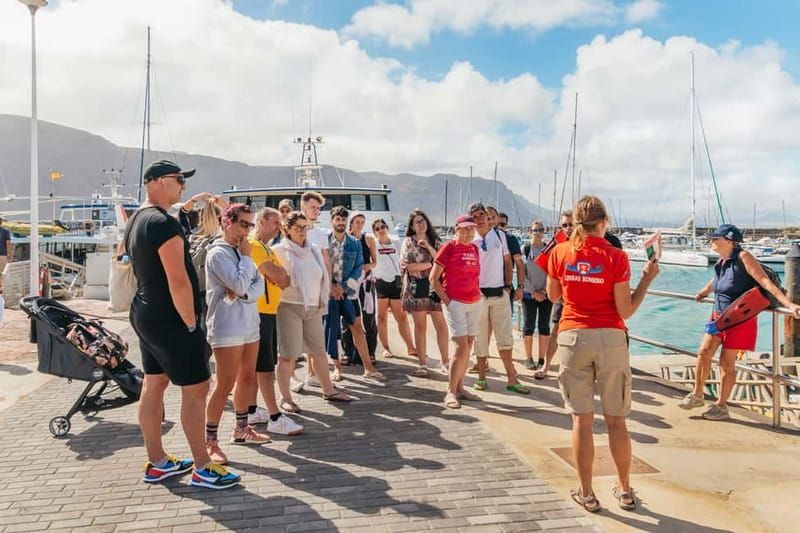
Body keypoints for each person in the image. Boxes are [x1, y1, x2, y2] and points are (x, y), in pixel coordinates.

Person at [126, 159, 239, 490]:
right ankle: (203, 467)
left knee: (154, 383)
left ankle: (158, 462)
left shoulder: (137, 218)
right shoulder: (162, 223)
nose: (183, 186)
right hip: (171, 317)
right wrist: (191, 324)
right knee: (196, 390)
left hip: (145, 312)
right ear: (158, 182)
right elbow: (178, 279)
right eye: (178, 180)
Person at [547, 195, 659, 513]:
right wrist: (647, 281)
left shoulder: (560, 252)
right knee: (616, 421)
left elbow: (554, 295)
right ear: (604, 222)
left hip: (572, 336)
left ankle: (587, 493)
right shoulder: (616, 256)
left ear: (577, 223)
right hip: (610, 338)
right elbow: (626, 310)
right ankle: (624, 490)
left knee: (581, 421)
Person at [679, 223, 800, 420]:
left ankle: (721, 405)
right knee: (704, 352)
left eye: (715, 239)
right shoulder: (721, 261)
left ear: (729, 241)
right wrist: (704, 292)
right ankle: (698, 394)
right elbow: (717, 280)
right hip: (717, 316)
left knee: (727, 363)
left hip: (740, 319)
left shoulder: (744, 257)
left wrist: (789, 303)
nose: (711, 242)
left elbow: (764, 281)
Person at [204, 203, 270, 465]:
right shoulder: (219, 254)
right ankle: (210, 441)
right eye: (244, 224)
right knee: (224, 384)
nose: (248, 230)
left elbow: (257, 286)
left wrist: (243, 291)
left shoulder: (244, 252)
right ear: (227, 222)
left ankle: (241, 428)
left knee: (247, 377)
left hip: (249, 324)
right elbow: (243, 283)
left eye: (250, 225)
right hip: (227, 327)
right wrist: (244, 269)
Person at [273, 211, 353, 412]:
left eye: (304, 226)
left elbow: (322, 275)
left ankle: (328, 390)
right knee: (288, 354)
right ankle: (286, 398)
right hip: (289, 306)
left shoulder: (314, 250)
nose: (302, 231)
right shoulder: (279, 251)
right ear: (287, 229)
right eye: (297, 227)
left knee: (318, 351)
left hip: (313, 306)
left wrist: (321, 297)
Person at [246, 207, 304, 435]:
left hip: (268, 311)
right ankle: (274, 416)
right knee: (264, 367)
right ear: (261, 221)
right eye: (274, 223)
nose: (278, 228)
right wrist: (280, 277)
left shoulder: (266, 248)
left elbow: (283, 278)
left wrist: (280, 277)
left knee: (258, 365)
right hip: (260, 312)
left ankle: (251, 409)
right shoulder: (255, 246)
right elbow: (280, 276)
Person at [468, 202, 528, 394]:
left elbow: (508, 261)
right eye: (474, 216)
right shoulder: (470, 238)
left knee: (504, 337)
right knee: (480, 338)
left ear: (488, 216)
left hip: (499, 292)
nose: (478, 219)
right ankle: (482, 377)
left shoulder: (500, 236)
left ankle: (512, 378)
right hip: (478, 295)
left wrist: (509, 287)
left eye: (481, 215)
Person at [324, 206, 385, 382]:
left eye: (343, 219)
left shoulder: (354, 242)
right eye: (338, 219)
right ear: (332, 221)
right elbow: (321, 265)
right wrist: (332, 287)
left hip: (349, 294)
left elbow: (360, 268)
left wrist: (343, 287)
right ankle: (336, 368)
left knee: (358, 328)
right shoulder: (324, 241)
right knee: (333, 330)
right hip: (329, 294)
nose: (341, 222)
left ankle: (368, 367)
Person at [430, 215, 484, 409]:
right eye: (465, 229)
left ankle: (461, 387)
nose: (469, 232)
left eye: (472, 229)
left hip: (474, 301)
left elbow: (474, 276)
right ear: (457, 229)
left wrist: (478, 295)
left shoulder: (475, 249)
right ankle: (450, 391)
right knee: (460, 346)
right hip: (456, 303)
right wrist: (448, 301)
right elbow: (433, 278)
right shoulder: (449, 248)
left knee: (468, 344)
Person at [400, 209, 450, 377]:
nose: (421, 224)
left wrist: (428, 246)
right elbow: (409, 266)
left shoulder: (435, 241)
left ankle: (445, 361)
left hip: (435, 287)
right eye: (417, 222)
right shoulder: (408, 242)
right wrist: (430, 265)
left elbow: (443, 261)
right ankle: (422, 363)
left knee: (441, 326)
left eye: (423, 221)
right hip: (417, 287)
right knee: (420, 326)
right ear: (412, 227)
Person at [535, 211, 574, 380]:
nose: (568, 228)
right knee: (556, 330)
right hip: (562, 296)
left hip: (580, 297)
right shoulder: (558, 241)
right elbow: (543, 259)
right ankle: (546, 366)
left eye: (571, 224)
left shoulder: (585, 242)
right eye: (564, 225)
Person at [371, 218, 416, 358]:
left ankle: (411, 346)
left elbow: (403, 260)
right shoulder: (373, 244)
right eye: (377, 228)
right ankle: (386, 348)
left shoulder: (396, 242)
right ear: (374, 232)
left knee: (402, 318)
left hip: (396, 282)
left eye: (382, 226)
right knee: (381, 317)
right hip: (380, 283)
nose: (381, 230)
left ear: (387, 227)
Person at [300, 191, 330, 387]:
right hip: (296, 291)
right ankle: (308, 372)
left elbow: (327, 264)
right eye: (313, 207)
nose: (317, 211)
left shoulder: (321, 235)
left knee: (315, 334)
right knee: (300, 334)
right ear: (303, 207)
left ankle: (314, 373)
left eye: (319, 208)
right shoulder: (292, 230)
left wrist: (326, 289)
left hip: (316, 292)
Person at [343, 212, 378, 364]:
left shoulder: (368, 239)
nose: (360, 224)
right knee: (347, 317)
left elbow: (374, 262)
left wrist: (366, 267)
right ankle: (348, 352)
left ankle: (370, 351)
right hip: (349, 282)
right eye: (357, 221)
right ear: (351, 223)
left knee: (368, 315)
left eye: (362, 221)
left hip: (366, 281)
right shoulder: (345, 239)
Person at [521, 220, 553, 371]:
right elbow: (522, 274)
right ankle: (528, 358)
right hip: (529, 294)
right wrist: (533, 292)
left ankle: (541, 358)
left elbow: (553, 272)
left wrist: (545, 291)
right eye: (535, 230)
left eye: (541, 229)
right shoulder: (525, 250)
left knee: (544, 326)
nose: (538, 232)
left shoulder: (549, 250)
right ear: (530, 232)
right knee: (528, 326)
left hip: (546, 294)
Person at [0, 215, 12, 293]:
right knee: (3, 273)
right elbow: (8, 244)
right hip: (2, 255)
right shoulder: (5, 231)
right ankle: (2, 292)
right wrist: (9, 255)